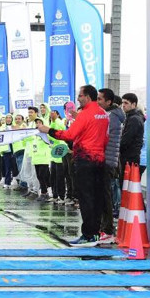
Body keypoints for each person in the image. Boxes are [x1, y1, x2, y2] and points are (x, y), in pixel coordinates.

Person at [37, 85, 109, 246]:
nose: (78, 98)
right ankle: (95, 233)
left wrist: (48, 130)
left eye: (80, 96)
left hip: (85, 160)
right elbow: (106, 138)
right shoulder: (103, 114)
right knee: (97, 198)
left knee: (86, 198)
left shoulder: (85, 114)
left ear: (88, 97)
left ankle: (88, 235)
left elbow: (69, 134)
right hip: (99, 160)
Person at [97, 88, 125, 243]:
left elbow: (105, 137)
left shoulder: (112, 116)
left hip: (107, 160)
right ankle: (104, 229)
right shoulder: (108, 115)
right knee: (102, 195)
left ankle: (108, 230)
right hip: (104, 159)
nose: (98, 102)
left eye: (100, 99)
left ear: (109, 101)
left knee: (105, 195)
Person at [120, 92, 146, 182]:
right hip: (129, 158)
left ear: (134, 104)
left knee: (127, 187)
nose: (123, 105)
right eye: (122, 103)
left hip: (130, 159)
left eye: (126, 103)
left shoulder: (134, 119)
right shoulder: (130, 117)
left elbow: (126, 140)